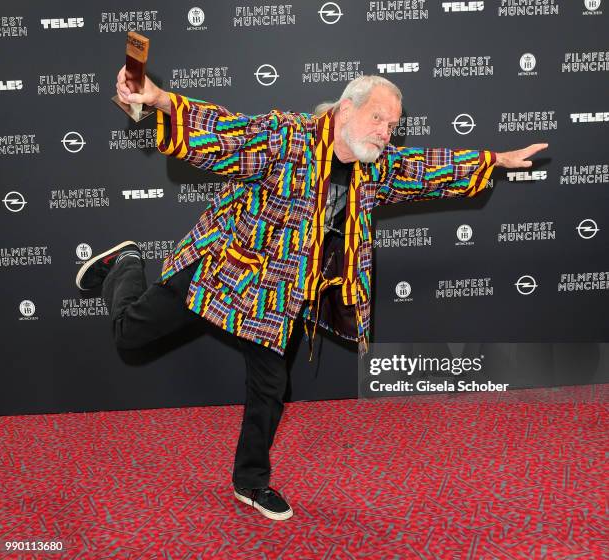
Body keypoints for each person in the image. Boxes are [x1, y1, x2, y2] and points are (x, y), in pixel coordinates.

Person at [76, 66, 548, 521]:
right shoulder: (288, 137)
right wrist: (160, 99)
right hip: (222, 268)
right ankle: (126, 263)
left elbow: (425, 169)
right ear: (345, 111)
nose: (386, 131)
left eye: (393, 125)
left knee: (270, 386)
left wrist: (495, 161)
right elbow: (227, 134)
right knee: (128, 336)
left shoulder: (373, 169)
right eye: (377, 118)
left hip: (273, 297)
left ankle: (250, 480)